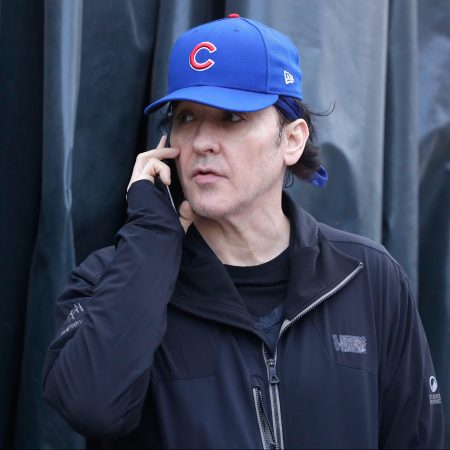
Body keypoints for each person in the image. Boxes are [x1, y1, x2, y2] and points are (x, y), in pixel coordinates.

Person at [42, 15, 444, 449]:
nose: (201, 142)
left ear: (292, 140)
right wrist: (151, 237)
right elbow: (91, 407)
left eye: (232, 117)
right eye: (187, 117)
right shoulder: (110, 279)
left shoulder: (369, 278)